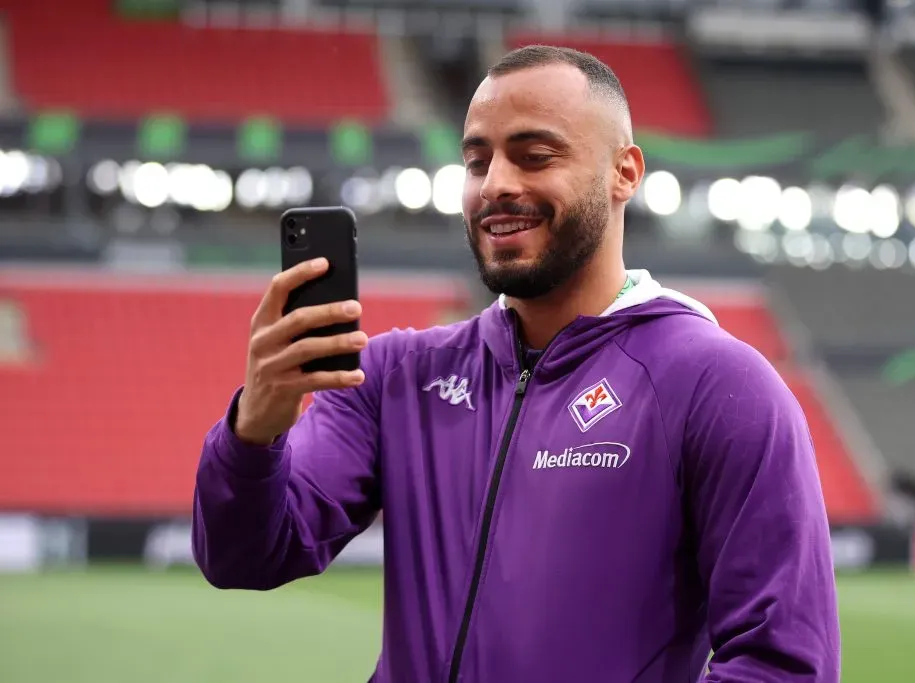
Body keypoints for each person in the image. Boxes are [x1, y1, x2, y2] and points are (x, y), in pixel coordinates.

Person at [192, 45, 842, 682]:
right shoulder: (393, 377)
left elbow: (783, 664)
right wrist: (255, 430)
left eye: (535, 156)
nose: (497, 184)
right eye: (477, 162)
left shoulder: (720, 385)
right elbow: (246, 555)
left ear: (624, 172)